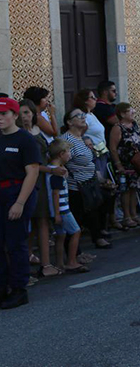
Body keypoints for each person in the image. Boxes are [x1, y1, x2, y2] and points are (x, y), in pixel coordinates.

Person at [0, 97, 43, 309]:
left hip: (17, 192)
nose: (0, 118)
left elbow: (32, 172)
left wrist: (19, 203)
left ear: (14, 115)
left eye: (4, 114)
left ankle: (19, 290)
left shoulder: (25, 139)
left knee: (15, 243)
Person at [17, 100, 57, 278]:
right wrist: (50, 169)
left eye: (27, 112)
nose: (24, 116)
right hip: (28, 180)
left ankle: (45, 263)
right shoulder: (18, 134)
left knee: (41, 220)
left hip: (42, 181)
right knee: (28, 222)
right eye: (21, 113)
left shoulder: (37, 130)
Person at [61, 108, 111, 249]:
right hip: (76, 186)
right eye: (78, 116)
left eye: (83, 115)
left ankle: (97, 237)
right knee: (76, 220)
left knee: (98, 206)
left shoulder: (82, 138)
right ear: (69, 122)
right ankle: (74, 255)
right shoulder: (66, 140)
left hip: (90, 182)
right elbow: (58, 160)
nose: (83, 117)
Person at [46, 140, 86, 274]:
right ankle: (71, 261)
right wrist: (57, 213)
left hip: (56, 210)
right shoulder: (57, 172)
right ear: (61, 154)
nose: (70, 155)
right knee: (75, 231)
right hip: (62, 210)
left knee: (60, 235)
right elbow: (55, 193)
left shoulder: (51, 169)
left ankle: (59, 263)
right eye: (68, 152)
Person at [109, 103, 140, 228]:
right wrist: (118, 164)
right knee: (126, 191)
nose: (133, 112)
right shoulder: (117, 128)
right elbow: (113, 148)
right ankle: (127, 217)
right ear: (122, 114)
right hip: (125, 164)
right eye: (130, 111)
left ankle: (134, 214)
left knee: (135, 189)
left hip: (137, 164)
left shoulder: (134, 125)